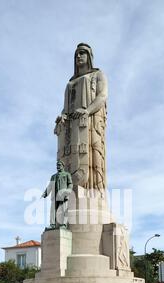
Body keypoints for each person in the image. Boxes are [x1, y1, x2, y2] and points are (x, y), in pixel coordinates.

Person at [54, 43, 108, 195]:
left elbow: (102, 96)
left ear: (89, 56)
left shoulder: (98, 75)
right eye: (76, 54)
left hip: (90, 123)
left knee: (94, 158)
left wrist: (87, 110)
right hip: (72, 128)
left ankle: (95, 193)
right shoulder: (70, 84)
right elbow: (66, 108)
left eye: (82, 53)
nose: (78, 56)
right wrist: (62, 117)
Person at [42, 160, 73, 228]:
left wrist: (68, 191)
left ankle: (64, 224)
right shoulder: (53, 176)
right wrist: (45, 193)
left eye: (59, 165)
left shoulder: (67, 174)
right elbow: (50, 186)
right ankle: (52, 224)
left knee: (63, 209)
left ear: (63, 166)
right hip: (55, 195)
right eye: (57, 165)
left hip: (63, 194)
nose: (57, 167)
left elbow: (70, 184)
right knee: (53, 210)